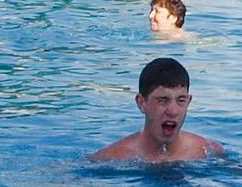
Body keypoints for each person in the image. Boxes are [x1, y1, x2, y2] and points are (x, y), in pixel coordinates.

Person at [89, 58, 224, 163]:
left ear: (189, 102)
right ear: (141, 103)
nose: (173, 111)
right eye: (162, 100)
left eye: (181, 100)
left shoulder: (209, 152)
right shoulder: (111, 158)